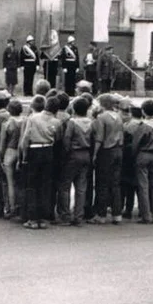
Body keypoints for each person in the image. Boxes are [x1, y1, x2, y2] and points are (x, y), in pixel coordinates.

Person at [20, 95, 61, 230]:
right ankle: (43, 218)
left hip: (34, 150)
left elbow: (26, 138)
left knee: (32, 185)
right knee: (45, 186)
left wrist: (24, 156)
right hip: (48, 150)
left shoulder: (33, 118)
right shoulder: (56, 122)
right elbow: (58, 138)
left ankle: (32, 217)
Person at [90, 93, 124, 224]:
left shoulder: (101, 117)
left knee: (102, 183)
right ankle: (117, 213)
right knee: (115, 183)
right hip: (118, 149)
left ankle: (101, 214)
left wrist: (94, 154)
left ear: (103, 104)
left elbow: (99, 137)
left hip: (106, 150)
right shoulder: (118, 117)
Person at [60, 96, 95, 226]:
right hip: (86, 153)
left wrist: (65, 155)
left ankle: (65, 215)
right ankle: (79, 215)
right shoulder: (91, 122)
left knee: (65, 185)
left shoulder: (72, 123)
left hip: (73, 154)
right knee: (81, 187)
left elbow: (67, 140)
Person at [131, 99, 153, 225]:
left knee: (143, 186)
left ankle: (146, 215)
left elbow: (136, 143)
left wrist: (134, 155)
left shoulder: (144, 126)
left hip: (143, 153)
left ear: (143, 111)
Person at [0, 98, 25, 218]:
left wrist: (1, 156)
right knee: (21, 182)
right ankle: (21, 206)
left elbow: (2, 144)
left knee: (10, 183)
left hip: (10, 151)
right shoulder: (25, 121)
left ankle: (11, 208)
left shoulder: (7, 123)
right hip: (21, 151)